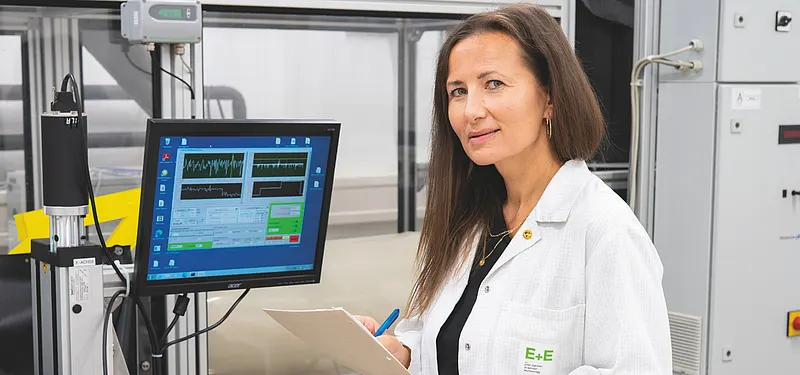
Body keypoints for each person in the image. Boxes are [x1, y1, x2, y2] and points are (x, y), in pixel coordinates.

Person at [357, 3, 672, 374]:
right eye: (458, 91)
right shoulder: (470, 221)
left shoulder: (605, 230)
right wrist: (404, 352)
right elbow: (448, 340)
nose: (471, 110)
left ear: (550, 98)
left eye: (493, 84)